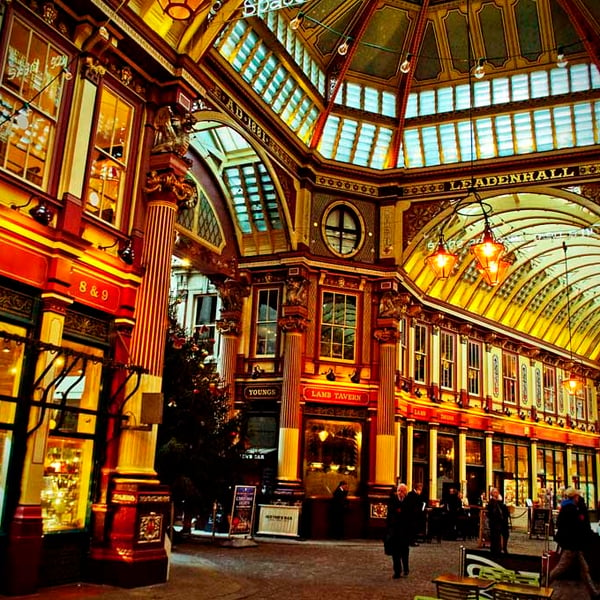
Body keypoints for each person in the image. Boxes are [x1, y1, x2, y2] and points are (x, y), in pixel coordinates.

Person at [550, 487, 600, 599]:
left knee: (584, 570)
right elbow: (577, 525)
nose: (579, 498)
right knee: (561, 568)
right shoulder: (571, 509)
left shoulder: (566, 507)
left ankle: (593, 593)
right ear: (575, 497)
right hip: (572, 545)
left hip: (573, 544)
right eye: (577, 496)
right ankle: (544, 582)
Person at [385, 482, 412, 579]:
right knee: (395, 553)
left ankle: (406, 568)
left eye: (402, 491)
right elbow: (390, 514)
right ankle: (397, 571)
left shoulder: (409, 501)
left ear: (406, 492)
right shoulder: (392, 500)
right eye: (398, 491)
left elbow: (410, 516)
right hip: (395, 532)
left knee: (404, 552)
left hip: (405, 532)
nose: (400, 493)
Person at [487, 487, 509, 555]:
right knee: (495, 537)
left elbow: (505, 511)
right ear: (492, 494)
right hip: (495, 522)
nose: (496, 494)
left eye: (497, 492)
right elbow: (492, 512)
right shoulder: (491, 502)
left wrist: (500, 501)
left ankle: (504, 548)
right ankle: (496, 550)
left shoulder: (500, 502)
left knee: (506, 534)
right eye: (494, 492)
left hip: (502, 522)